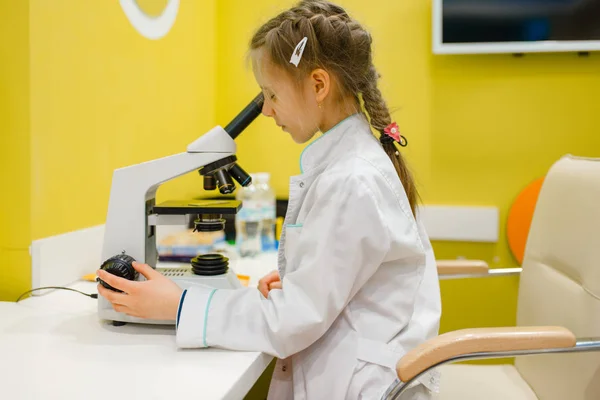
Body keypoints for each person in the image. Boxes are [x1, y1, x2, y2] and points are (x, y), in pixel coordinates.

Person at [97, 1, 442, 398]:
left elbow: (293, 320)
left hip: (363, 387)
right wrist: (304, 274)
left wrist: (178, 306)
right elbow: (351, 276)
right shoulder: (356, 162)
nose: (266, 111)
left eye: (271, 94)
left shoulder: (353, 179)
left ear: (318, 85)